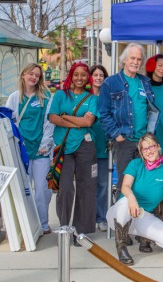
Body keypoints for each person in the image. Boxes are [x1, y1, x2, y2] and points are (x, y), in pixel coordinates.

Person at [106, 134, 163, 265]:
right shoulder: (135, 164)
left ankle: (144, 236)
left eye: (151, 146)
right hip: (120, 215)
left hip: (143, 215)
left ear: (158, 147)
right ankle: (121, 247)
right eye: (144, 149)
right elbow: (125, 187)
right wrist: (132, 198)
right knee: (124, 202)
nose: (149, 151)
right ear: (141, 152)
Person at [48, 62, 98, 244]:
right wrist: (76, 122)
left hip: (86, 147)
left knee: (87, 188)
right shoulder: (61, 95)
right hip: (64, 147)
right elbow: (53, 117)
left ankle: (80, 231)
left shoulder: (92, 98)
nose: (79, 78)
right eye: (76, 75)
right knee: (66, 187)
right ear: (71, 75)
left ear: (87, 77)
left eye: (83, 75)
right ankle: (64, 227)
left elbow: (88, 123)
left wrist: (66, 116)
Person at [98, 43, 158, 191]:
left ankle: (140, 214)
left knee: (142, 183)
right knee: (124, 184)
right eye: (132, 58)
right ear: (124, 59)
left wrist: (149, 135)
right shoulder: (110, 83)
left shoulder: (145, 82)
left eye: (139, 59)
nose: (135, 62)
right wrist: (117, 135)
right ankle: (122, 214)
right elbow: (103, 113)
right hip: (124, 141)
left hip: (143, 141)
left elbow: (151, 110)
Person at [6, 63, 54, 235]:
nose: (33, 77)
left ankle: (42, 223)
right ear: (23, 75)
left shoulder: (46, 97)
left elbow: (49, 123)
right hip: (22, 151)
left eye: (37, 75)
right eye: (30, 74)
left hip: (41, 152)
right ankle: (25, 225)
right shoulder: (14, 97)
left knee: (42, 189)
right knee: (23, 189)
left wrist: (45, 144)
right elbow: (9, 123)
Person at [90, 64, 110, 231]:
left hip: (104, 147)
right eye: (95, 75)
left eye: (101, 75)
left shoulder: (108, 97)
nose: (98, 78)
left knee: (103, 184)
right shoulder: (84, 97)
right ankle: (88, 217)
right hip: (86, 147)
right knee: (88, 184)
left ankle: (101, 217)